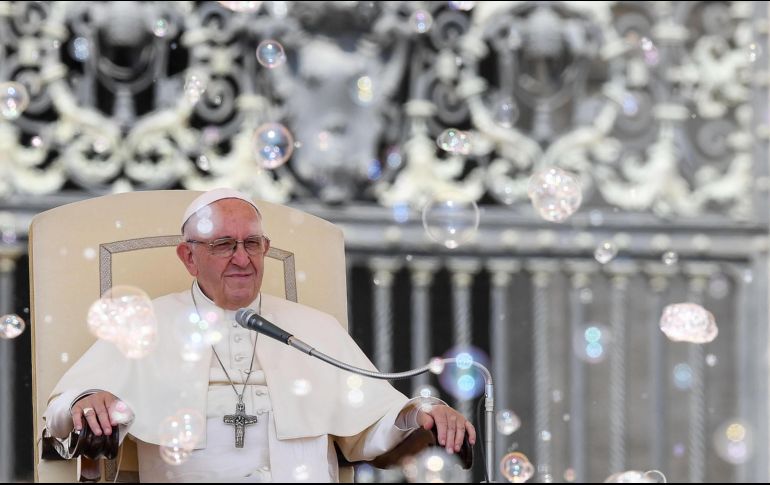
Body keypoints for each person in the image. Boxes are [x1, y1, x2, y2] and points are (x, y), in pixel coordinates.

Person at [44, 188, 476, 482]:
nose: (241, 259)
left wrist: (423, 411)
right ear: (188, 257)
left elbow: (370, 426)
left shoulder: (313, 328)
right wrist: (87, 399)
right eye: (222, 245)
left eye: (253, 244)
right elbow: (62, 412)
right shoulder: (146, 326)